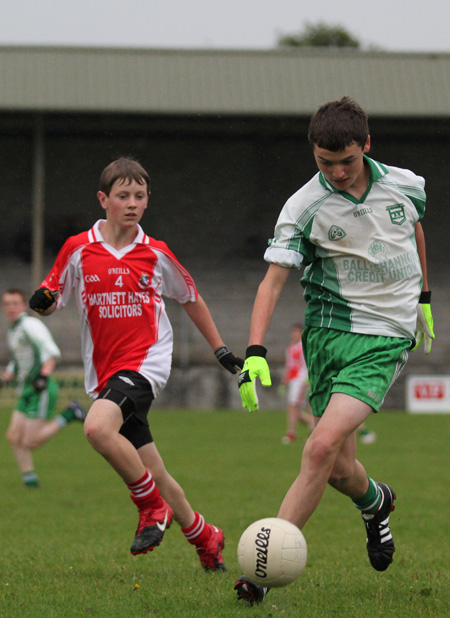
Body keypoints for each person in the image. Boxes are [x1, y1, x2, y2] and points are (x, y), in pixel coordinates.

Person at [235, 97, 435, 605]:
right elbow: (273, 282)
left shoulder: (406, 185)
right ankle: (376, 503)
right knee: (342, 468)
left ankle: (260, 572)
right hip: (327, 339)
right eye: (326, 163)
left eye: (347, 160)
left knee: (319, 448)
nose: (338, 171)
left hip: (385, 336)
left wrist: (425, 298)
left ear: (366, 145)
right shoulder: (304, 206)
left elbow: (414, 228)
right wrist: (256, 348)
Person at [28, 157, 243, 572]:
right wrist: (44, 304)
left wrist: (220, 351)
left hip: (146, 363)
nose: (132, 203)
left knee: (95, 427)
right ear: (103, 199)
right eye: (123, 196)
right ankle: (204, 536)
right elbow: (53, 295)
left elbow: (191, 298)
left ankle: (151, 509)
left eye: (139, 196)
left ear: (147, 201)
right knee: (154, 469)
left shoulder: (155, 253)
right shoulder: (78, 248)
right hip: (107, 373)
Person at [1, 288, 87, 488]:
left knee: (30, 442)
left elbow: (51, 351)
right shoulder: (14, 330)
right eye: (7, 303)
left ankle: (70, 413)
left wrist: (43, 376)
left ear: (23, 306)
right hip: (27, 388)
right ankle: (30, 481)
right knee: (13, 436)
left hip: (41, 388)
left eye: (15, 303)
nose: (11, 308)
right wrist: (6, 377)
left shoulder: (30, 324)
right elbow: (19, 360)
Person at [279, 323, 314, 444]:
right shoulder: (290, 348)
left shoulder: (305, 346)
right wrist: (284, 382)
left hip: (302, 379)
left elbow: (308, 363)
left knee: (295, 407)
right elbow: (289, 366)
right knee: (293, 408)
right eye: (293, 331)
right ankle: (313, 425)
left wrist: (308, 380)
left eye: (297, 331)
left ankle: (292, 433)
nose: (294, 334)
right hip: (294, 380)